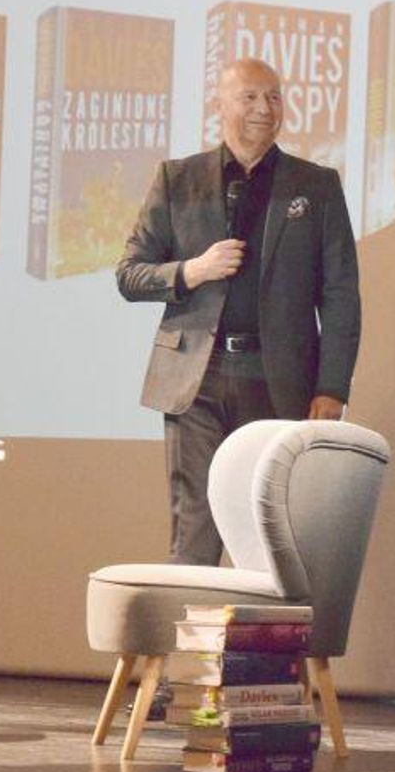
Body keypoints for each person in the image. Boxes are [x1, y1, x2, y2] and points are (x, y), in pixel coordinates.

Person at [117, 57, 360, 567]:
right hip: (196, 381)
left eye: (273, 97)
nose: (264, 108)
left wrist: (332, 387)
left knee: (271, 537)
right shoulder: (178, 179)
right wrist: (193, 270)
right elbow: (130, 275)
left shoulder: (315, 186)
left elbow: (340, 295)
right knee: (194, 535)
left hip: (279, 381)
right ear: (220, 105)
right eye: (249, 97)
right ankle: (190, 624)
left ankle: (259, 625)